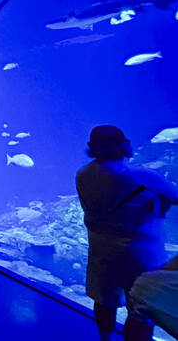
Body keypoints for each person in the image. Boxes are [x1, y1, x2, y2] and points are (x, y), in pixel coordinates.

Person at [76, 125, 178, 341]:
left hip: (101, 251)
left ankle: (104, 339)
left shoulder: (83, 174)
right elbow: (175, 196)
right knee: (140, 309)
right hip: (141, 254)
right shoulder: (143, 176)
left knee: (103, 299)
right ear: (123, 145)